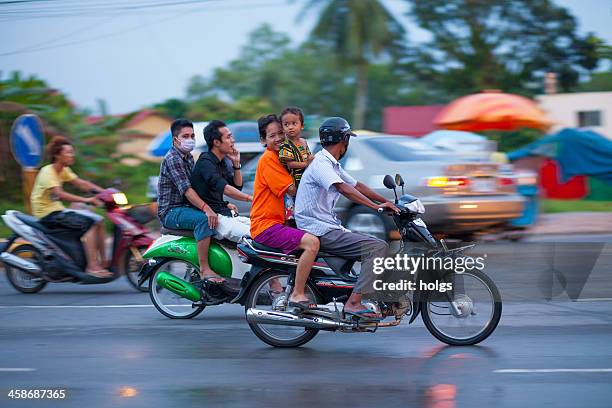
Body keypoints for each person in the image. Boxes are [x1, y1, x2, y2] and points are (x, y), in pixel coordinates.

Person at [295, 117, 400, 320]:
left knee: (372, 245)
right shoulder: (321, 164)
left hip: (328, 226)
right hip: (318, 229)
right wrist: (377, 208)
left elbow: (356, 185)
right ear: (344, 140)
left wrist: (388, 202)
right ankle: (353, 303)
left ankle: (357, 292)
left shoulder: (330, 164)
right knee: (376, 247)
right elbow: (344, 189)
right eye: (347, 139)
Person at [250, 114, 320, 309]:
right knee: (312, 243)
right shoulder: (269, 159)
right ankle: (297, 294)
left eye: (281, 133)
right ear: (263, 140)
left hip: (280, 222)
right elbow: (292, 189)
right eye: (272, 136)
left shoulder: (284, 157)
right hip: (267, 226)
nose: (279, 138)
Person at [30, 136, 110, 278]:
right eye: (68, 152)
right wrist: (88, 200)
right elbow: (59, 194)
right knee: (90, 223)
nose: (72, 155)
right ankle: (91, 267)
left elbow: (81, 183)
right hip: (47, 215)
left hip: (57, 209)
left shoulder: (63, 170)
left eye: (72, 152)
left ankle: (103, 262)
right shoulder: (48, 172)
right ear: (57, 155)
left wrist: (105, 193)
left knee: (99, 220)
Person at [157, 119, 224, 284]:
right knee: (204, 220)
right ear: (175, 140)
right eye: (185, 136)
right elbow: (187, 190)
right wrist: (206, 209)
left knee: (220, 218)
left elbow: (198, 188)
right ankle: (204, 269)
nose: (190, 139)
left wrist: (222, 205)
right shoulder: (173, 158)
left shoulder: (188, 158)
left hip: (185, 208)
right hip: (171, 212)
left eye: (192, 135)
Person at [191, 120, 252, 243]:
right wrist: (251, 198)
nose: (233, 140)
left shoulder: (221, 162)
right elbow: (226, 188)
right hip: (215, 218)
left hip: (225, 213)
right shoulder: (205, 162)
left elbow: (237, 186)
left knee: (264, 228)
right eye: (228, 137)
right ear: (216, 142)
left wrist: (236, 164)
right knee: (253, 235)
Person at [277, 107, 313, 225]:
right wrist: (306, 164)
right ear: (282, 127)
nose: (290, 127)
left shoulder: (304, 142)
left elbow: (308, 156)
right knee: (292, 216)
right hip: (292, 184)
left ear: (301, 125)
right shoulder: (285, 145)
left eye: (294, 123)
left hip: (304, 184)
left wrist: (311, 161)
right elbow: (290, 164)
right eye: (286, 124)